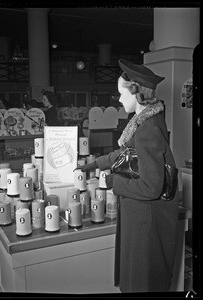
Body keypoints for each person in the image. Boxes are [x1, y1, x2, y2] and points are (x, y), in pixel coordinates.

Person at [76, 58, 179, 293]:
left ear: (136, 93)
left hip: (146, 223)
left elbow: (151, 187)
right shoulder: (144, 123)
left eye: (121, 94)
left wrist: (115, 183)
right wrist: (92, 165)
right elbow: (123, 155)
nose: (119, 99)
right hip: (142, 218)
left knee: (142, 282)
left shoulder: (147, 130)